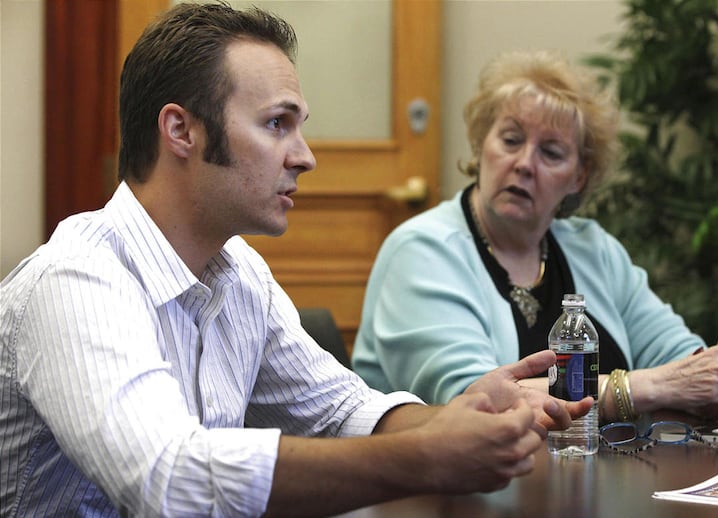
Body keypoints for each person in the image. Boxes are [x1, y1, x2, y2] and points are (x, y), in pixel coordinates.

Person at [0, 6, 593, 517]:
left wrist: (456, 417)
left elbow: (341, 411)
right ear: (181, 130)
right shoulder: (75, 279)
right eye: (276, 124)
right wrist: (424, 457)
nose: (305, 157)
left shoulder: (239, 274)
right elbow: (168, 479)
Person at [352, 49, 718, 424]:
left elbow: (675, 358)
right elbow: (479, 403)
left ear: (578, 177)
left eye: (551, 152)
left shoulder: (592, 248)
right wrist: (646, 388)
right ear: (481, 144)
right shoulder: (422, 251)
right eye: (510, 140)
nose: (524, 163)